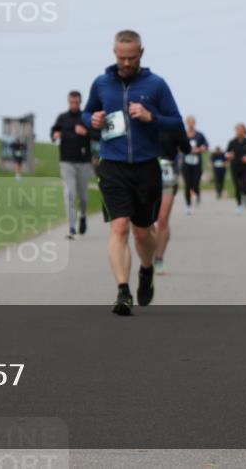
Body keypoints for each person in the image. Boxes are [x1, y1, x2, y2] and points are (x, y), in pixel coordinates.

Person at [83, 30, 183, 315]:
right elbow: (87, 113)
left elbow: (175, 122)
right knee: (119, 226)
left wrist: (152, 117)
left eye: (131, 57)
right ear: (114, 53)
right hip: (112, 165)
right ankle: (123, 291)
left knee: (142, 233)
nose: (126, 63)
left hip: (146, 166)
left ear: (141, 53)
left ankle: (147, 269)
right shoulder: (101, 83)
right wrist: (93, 118)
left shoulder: (156, 85)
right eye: (121, 57)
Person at [51, 90, 99, 239]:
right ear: (68, 102)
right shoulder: (62, 118)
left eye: (76, 102)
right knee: (69, 194)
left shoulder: (85, 118)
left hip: (84, 162)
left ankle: (83, 215)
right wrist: (54, 135)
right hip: (66, 162)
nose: (74, 104)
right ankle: (71, 227)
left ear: (80, 102)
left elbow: (97, 135)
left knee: (83, 197)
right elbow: (54, 132)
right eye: (72, 102)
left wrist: (86, 133)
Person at [154, 127, 191, 274]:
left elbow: (186, 147)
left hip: (169, 175)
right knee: (146, 222)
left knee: (162, 219)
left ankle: (159, 258)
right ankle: (148, 254)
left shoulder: (172, 122)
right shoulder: (138, 118)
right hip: (145, 173)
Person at [226, 123, 246, 215]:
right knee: (237, 187)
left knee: (244, 185)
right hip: (234, 167)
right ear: (235, 131)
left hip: (245, 167)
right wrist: (229, 155)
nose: (239, 132)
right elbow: (226, 153)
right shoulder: (232, 142)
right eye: (237, 130)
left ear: (244, 131)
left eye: (241, 130)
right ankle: (239, 205)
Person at [180, 115, 209, 215]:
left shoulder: (200, 135)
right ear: (186, 123)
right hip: (186, 163)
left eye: (193, 122)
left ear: (195, 123)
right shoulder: (183, 134)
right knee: (187, 184)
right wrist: (186, 150)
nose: (191, 124)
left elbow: (206, 146)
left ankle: (197, 193)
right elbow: (178, 146)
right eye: (189, 122)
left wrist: (199, 149)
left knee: (195, 182)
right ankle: (188, 205)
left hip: (197, 163)